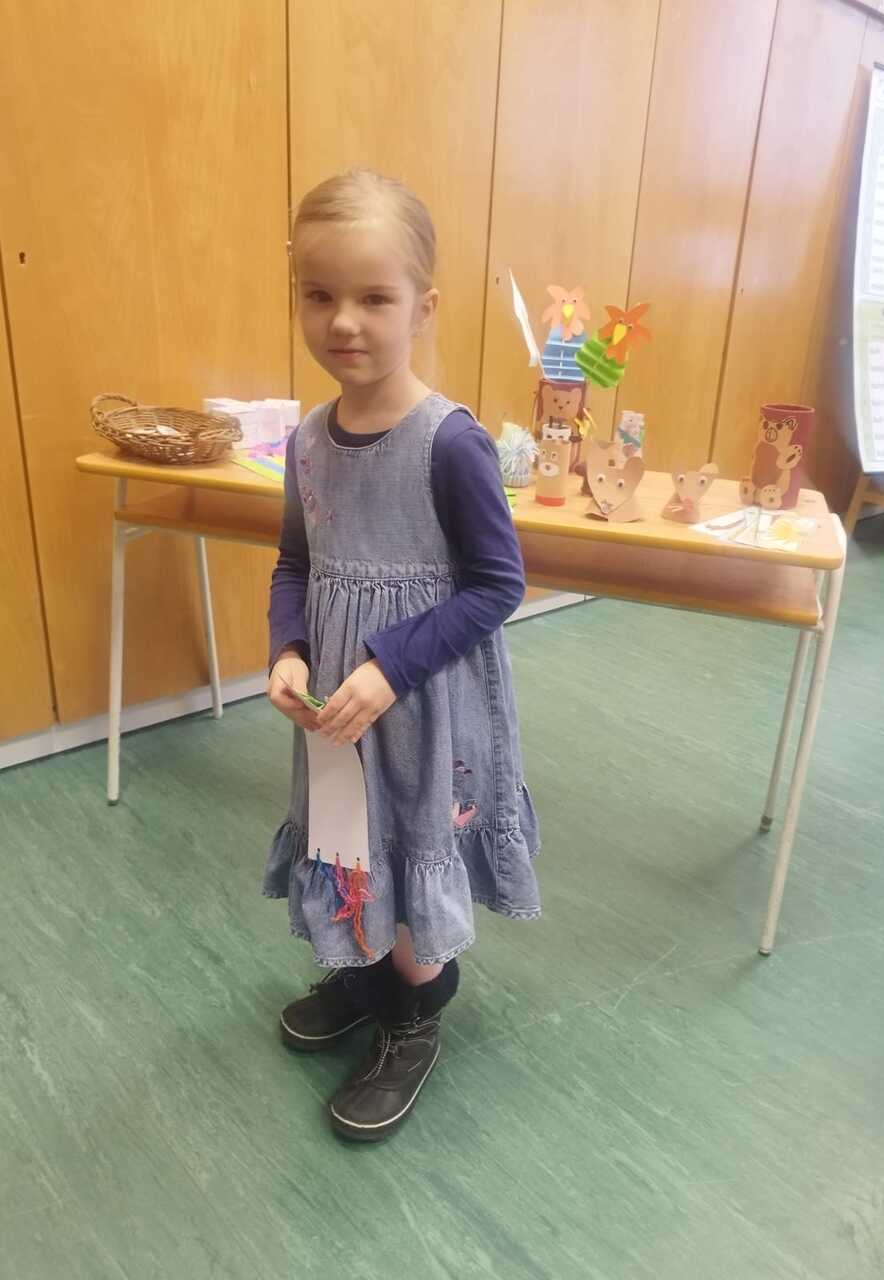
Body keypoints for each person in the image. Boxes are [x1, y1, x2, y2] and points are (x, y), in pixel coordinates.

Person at [264, 169, 540, 1141]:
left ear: (423, 307)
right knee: (349, 845)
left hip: (422, 709)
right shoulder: (306, 441)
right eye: (319, 294)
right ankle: (366, 975)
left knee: (413, 848)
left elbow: (497, 586)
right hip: (338, 715)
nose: (343, 321)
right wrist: (289, 649)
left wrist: (388, 666)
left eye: (374, 297)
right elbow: (296, 562)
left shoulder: (449, 443)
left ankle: (413, 1015)